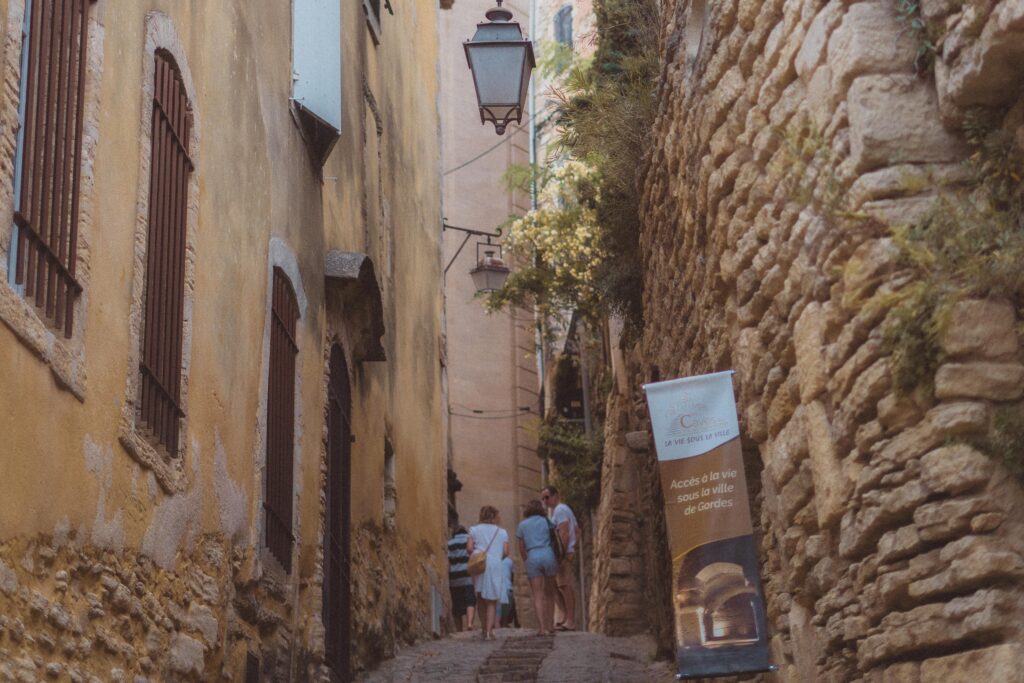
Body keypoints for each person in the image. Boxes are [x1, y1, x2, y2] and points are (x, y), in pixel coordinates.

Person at [516, 499, 558, 636]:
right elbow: (554, 538)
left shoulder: (522, 525)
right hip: (548, 554)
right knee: (550, 593)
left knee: (537, 594)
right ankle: (550, 625)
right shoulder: (546, 521)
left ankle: (541, 628)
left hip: (532, 555)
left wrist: (527, 560)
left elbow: (521, 548)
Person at [467, 505, 509, 640]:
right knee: (492, 600)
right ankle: (489, 632)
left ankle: (484, 628)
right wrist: (496, 556)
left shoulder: (474, 530)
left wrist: (477, 553)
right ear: (495, 516)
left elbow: (469, 548)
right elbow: (506, 552)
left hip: (480, 564)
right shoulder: (502, 532)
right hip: (495, 564)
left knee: (480, 597)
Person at [543, 485, 579, 631]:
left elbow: (564, 532)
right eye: (543, 498)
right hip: (566, 552)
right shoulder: (563, 510)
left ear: (556, 495)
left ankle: (570, 620)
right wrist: (573, 547)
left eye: (547, 497)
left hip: (562, 554)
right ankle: (566, 618)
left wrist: (562, 554)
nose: (545, 501)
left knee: (565, 586)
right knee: (560, 586)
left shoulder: (560, 510)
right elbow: (577, 530)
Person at [447, 525, 476, 631]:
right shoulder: (470, 541)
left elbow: (449, 558)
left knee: (456, 604)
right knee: (470, 601)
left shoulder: (450, 543)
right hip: (468, 575)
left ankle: (459, 629)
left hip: (454, 577)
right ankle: (469, 623)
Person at [499, 555, 518, 628]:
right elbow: (512, 577)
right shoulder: (509, 561)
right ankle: (504, 622)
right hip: (508, 589)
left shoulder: (493, 560)